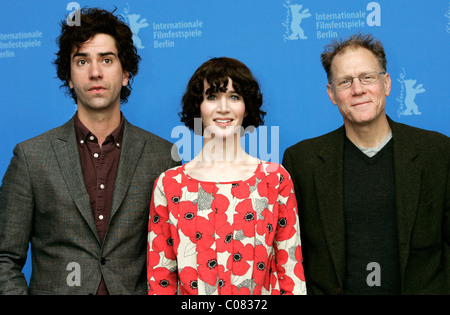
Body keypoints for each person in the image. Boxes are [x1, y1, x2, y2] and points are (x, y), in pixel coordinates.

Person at [0, 8, 179, 295]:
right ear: (69, 77)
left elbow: (176, 260)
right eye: (82, 61)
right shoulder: (31, 158)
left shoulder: (163, 157)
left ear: (126, 73)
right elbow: (4, 258)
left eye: (106, 60)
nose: (95, 72)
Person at [283, 33, 450, 295]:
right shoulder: (301, 160)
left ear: (386, 83)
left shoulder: (438, 152)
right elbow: (290, 255)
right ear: (332, 93)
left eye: (367, 77)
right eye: (345, 81)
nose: (358, 89)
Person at [147, 57, 306, 295]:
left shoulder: (275, 180)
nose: (223, 108)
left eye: (234, 97)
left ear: (246, 107)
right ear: (198, 106)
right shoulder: (170, 184)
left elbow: (290, 273)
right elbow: (161, 278)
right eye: (212, 97)